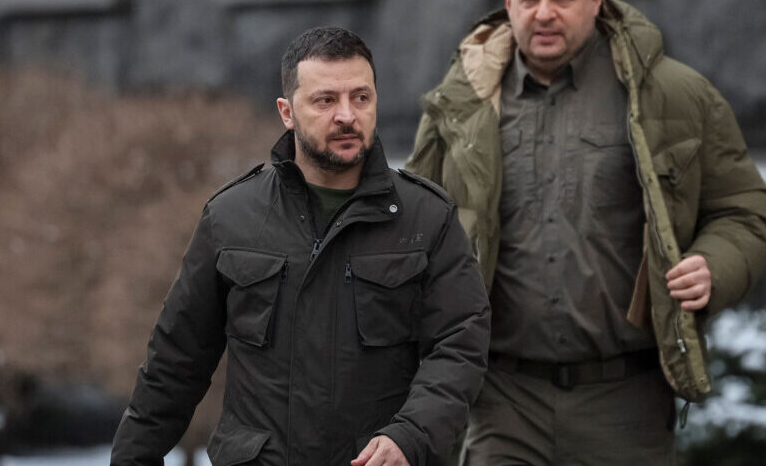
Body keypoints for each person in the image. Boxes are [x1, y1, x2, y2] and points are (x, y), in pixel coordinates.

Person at [406, 0, 766, 464]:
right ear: (509, 3)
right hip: (504, 402)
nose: (544, 13)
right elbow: (413, 227)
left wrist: (715, 265)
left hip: (625, 404)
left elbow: (744, 209)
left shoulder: (671, 94)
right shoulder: (462, 103)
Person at [111, 26, 491, 466]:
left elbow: (460, 345)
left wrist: (411, 435)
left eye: (361, 97)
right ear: (287, 112)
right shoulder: (231, 217)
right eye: (325, 100)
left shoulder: (426, 217)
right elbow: (175, 363)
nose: (347, 115)